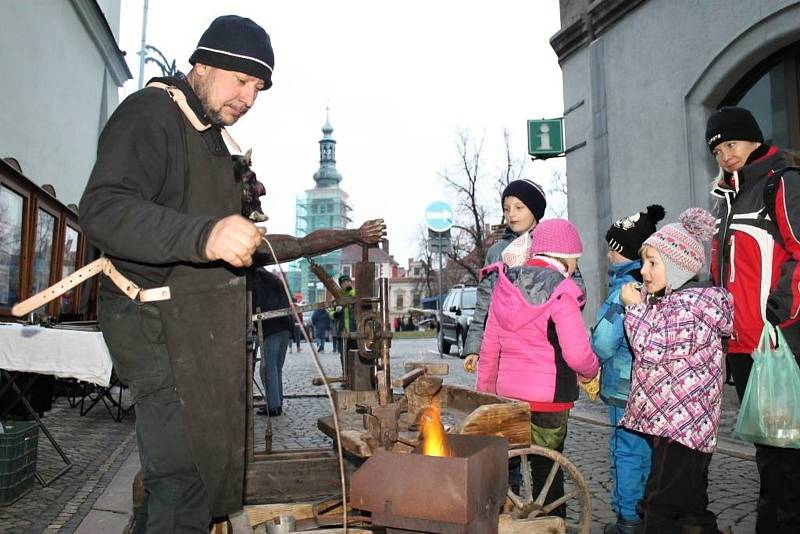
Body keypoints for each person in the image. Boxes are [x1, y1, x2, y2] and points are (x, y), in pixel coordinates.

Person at [78, 14, 386, 532]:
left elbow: (251, 245)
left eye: (259, 88)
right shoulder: (151, 113)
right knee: (184, 477)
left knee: (193, 473)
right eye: (240, 80)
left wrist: (347, 237)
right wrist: (206, 234)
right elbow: (104, 210)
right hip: (156, 326)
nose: (248, 98)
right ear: (201, 64)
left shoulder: (212, 140)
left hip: (199, 332)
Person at [705, 106, 800, 534]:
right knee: (768, 452)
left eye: (732, 144)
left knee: (789, 455)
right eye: (718, 149)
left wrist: (778, 316)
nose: (726, 155)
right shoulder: (727, 198)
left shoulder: (781, 184)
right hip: (742, 346)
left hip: (779, 344)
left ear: (754, 140)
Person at [620, 208, 733, 534]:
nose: (644, 271)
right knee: (691, 509)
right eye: (645, 262)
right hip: (675, 425)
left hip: (683, 428)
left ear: (678, 266)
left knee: (660, 507)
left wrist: (635, 309)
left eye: (653, 263)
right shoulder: (673, 302)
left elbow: (651, 348)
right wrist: (647, 307)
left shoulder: (691, 307)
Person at [476, 219, 599, 517]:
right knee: (547, 464)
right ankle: (552, 521)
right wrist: (590, 372)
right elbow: (577, 353)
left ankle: (502, 515)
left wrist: (486, 394)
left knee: (510, 461)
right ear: (565, 256)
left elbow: (489, 348)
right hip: (549, 399)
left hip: (508, 398)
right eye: (575, 259)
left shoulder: (504, 288)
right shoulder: (562, 291)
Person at [592, 204, 665, 534]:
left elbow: (603, 345)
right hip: (654, 389)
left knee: (626, 453)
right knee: (650, 453)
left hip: (625, 390)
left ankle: (628, 519)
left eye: (614, 249)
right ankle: (650, 511)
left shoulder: (623, 292)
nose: (608, 255)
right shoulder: (658, 283)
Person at [463, 179, 547, 373]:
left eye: (519, 207)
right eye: (506, 208)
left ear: (534, 210)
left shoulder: (551, 245)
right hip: (504, 346)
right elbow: (484, 301)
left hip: (542, 345)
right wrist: (474, 347)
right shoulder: (497, 252)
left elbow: (574, 292)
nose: (512, 214)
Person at [252, 268, 291, 417]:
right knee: (276, 368)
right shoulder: (274, 279)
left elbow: (255, 303)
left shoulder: (256, 280)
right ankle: (277, 402)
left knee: (269, 368)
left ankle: (273, 406)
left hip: (270, 327)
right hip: (285, 326)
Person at [329, 274, 357, 370]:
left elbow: (354, 295)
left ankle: (355, 374)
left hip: (355, 330)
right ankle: (345, 375)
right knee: (343, 355)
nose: (346, 283)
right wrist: (335, 313)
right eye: (344, 282)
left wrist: (349, 290)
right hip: (342, 330)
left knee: (356, 354)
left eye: (348, 281)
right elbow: (330, 311)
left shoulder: (354, 293)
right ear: (341, 285)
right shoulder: (336, 297)